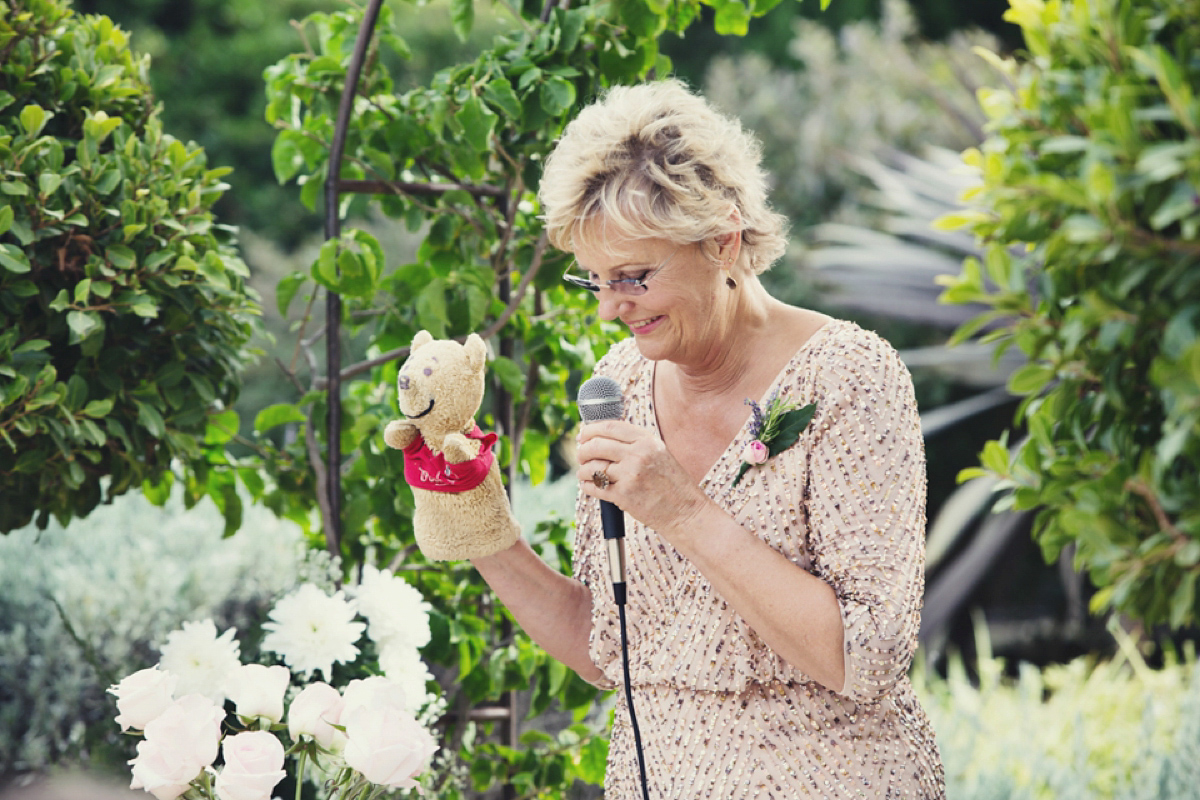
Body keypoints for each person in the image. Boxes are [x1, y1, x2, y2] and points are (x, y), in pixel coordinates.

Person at [469, 78, 945, 798]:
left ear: (723, 238)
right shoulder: (618, 383)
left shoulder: (851, 375)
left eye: (630, 278)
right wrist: (476, 521)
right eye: (591, 281)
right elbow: (612, 649)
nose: (608, 311)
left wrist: (684, 511)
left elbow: (865, 657)